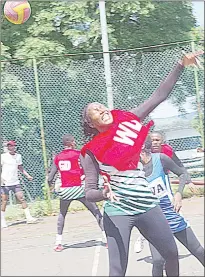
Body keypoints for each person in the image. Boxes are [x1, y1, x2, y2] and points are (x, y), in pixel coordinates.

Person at [80, 51, 203, 276]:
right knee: (117, 271)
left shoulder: (128, 121)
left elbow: (158, 96)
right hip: (118, 211)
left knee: (171, 255)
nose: (102, 110)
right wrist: (104, 193)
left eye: (102, 106)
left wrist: (180, 65)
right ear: (91, 122)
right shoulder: (91, 151)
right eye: (96, 111)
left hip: (147, 205)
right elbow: (88, 193)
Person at [139, 136, 204, 276]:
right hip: (153, 220)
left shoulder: (160, 159)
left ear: (142, 147)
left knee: (197, 250)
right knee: (157, 260)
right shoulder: (132, 170)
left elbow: (182, 173)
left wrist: (179, 193)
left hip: (171, 212)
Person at [134, 130, 196, 253]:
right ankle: (142, 236)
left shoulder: (166, 152)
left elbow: (180, 167)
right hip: (148, 183)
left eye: (158, 140)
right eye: (152, 140)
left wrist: (188, 181)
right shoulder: (140, 156)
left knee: (169, 208)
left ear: (162, 142)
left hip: (162, 176)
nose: (155, 142)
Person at [48, 134, 105, 252]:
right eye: (73, 141)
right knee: (95, 211)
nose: (75, 143)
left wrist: (50, 186)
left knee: (62, 214)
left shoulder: (58, 157)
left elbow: (50, 177)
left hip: (66, 191)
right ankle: (107, 238)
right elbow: (87, 169)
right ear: (70, 143)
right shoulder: (78, 154)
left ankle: (58, 243)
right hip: (79, 189)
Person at [1, 140, 37, 228]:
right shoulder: (3, 156)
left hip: (15, 182)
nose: (11, 147)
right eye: (9, 146)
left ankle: (29, 217)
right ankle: (2, 221)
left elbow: (20, 168)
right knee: (4, 201)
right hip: (5, 183)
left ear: (15, 147)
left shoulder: (18, 156)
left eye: (12, 146)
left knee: (22, 198)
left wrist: (27, 176)